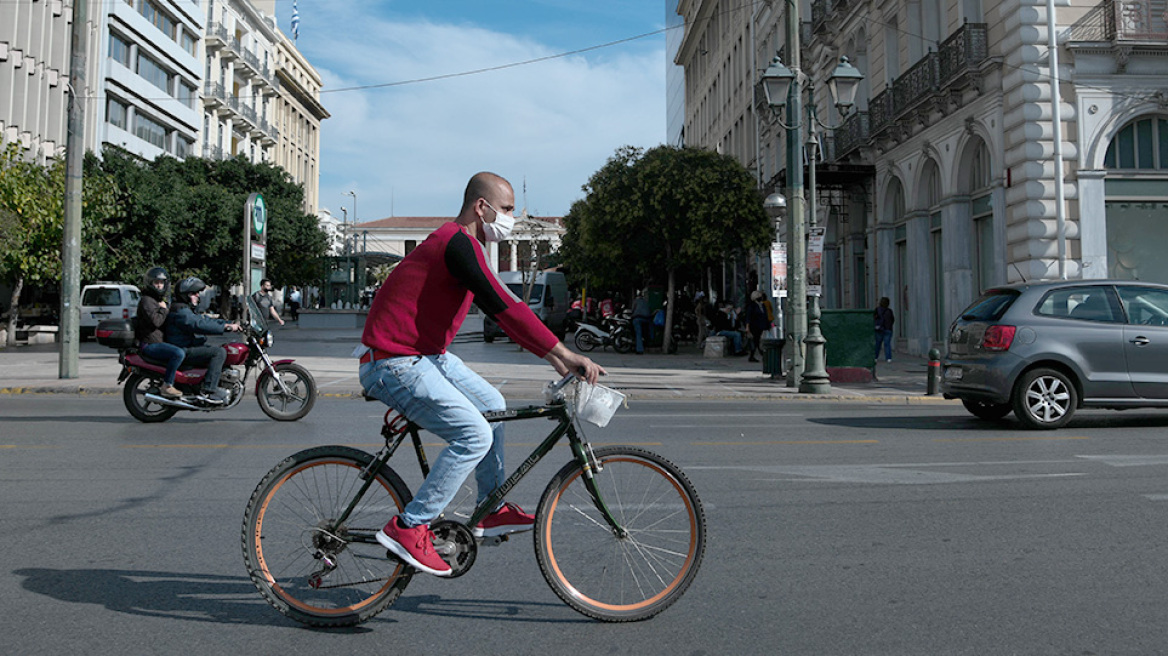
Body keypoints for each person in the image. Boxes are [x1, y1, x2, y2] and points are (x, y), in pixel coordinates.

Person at [359, 171, 604, 577]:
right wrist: (559, 353)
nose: (510, 218)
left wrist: (556, 356)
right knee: (474, 434)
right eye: (506, 209)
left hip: (423, 355)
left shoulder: (466, 246)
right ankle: (410, 526)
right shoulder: (456, 243)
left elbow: (507, 304)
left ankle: (489, 508)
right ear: (481, 207)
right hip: (393, 360)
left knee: (493, 404)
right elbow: (501, 307)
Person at [165, 277, 241, 405]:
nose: (197, 296)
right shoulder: (180, 311)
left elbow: (205, 320)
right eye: (194, 293)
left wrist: (228, 323)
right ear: (186, 295)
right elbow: (198, 324)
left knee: (219, 349)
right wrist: (225, 327)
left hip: (187, 345)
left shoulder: (185, 309)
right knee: (218, 352)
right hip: (183, 348)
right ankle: (208, 391)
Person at [134, 267, 184, 399]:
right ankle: (167, 385)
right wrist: (163, 309)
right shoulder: (147, 301)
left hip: (158, 341)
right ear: (150, 283)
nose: (159, 285)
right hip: (150, 344)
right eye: (156, 282)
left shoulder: (156, 300)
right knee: (178, 353)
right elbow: (156, 321)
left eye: (162, 282)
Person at [745, 290, 771, 363]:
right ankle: (760, 354)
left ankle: (756, 355)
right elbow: (748, 317)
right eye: (759, 296)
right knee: (756, 340)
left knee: (757, 340)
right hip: (754, 325)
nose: (761, 297)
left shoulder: (762, 305)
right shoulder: (752, 306)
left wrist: (768, 325)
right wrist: (747, 327)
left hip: (762, 325)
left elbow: (765, 315)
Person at [630, 290, 653, 355]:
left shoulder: (635, 301)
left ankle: (639, 349)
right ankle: (649, 342)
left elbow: (633, 310)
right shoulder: (646, 301)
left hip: (637, 318)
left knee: (638, 334)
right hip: (646, 319)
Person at [874, 296, 895, 362]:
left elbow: (874, 318)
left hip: (879, 329)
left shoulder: (877, 310)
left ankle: (875, 357)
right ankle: (888, 358)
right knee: (887, 344)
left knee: (878, 344)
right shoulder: (889, 311)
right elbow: (892, 319)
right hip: (888, 329)